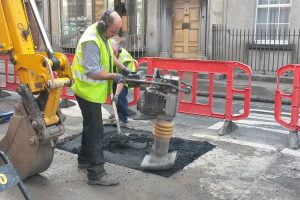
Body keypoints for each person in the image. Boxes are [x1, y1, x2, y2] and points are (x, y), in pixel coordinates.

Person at [71, 8, 131, 186]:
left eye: (116, 32)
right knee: (96, 130)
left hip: (91, 91)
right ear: (105, 24)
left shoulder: (102, 35)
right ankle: (96, 173)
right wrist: (114, 76)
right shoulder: (91, 41)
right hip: (86, 91)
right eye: (113, 31)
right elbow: (92, 71)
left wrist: (124, 70)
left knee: (89, 126)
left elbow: (110, 57)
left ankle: (83, 158)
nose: (114, 34)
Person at [110, 39, 137, 127]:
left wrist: (116, 95)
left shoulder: (124, 58)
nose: (113, 55)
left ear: (118, 48)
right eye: (111, 53)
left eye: (115, 53)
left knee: (120, 97)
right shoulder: (110, 53)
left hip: (126, 77)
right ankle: (118, 114)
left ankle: (123, 119)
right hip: (115, 76)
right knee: (115, 96)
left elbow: (121, 79)